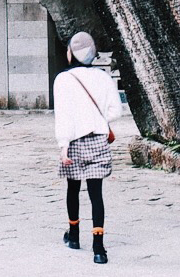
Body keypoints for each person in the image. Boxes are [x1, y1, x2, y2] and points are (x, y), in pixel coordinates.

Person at [53, 31, 118, 264]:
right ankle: (99, 249)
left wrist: (63, 146)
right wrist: (97, 120)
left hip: (74, 142)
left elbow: (63, 117)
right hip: (98, 139)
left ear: (71, 53)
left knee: (73, 189)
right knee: (96, 194)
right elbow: (115, 111)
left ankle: (74, 236)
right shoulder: (103, 78)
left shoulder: (63, 79)